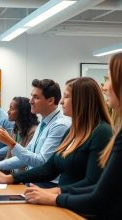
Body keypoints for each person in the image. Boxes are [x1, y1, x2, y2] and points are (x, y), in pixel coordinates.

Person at [24, 53, 122, 219]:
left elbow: (99, 193)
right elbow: (51, 167)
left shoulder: (102, 132)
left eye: (109, 78)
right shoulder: (72, 130)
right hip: (72, 203)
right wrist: (11, 177)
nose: (104, 87)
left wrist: (56, 196)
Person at [0, 77, 112, 191]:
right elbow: (49, 167)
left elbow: (43, 163)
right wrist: (6, 174)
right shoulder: (67, 129)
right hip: (49, 187)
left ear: (82, 100)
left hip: (53, 189)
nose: (61, 102)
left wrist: (54, 194)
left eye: (66, 97)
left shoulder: (65, 126)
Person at [0, 80, 71, 186]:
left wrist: (12, 144)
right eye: (32, 96)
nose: (31, 101)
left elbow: (42, 163)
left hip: (47, 185)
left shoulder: (60, 125)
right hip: (35, 181)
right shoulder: (44, 123)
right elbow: (25, 157)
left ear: (50, 101)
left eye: (36, 97)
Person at [0, 97, 39, 173]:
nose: (8, 112)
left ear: (22, 112)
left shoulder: (33, 131)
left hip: (25, 178)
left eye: (12, 108)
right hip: (14, 175)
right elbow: (8, 156)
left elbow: (26, 160)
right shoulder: (15, 130)